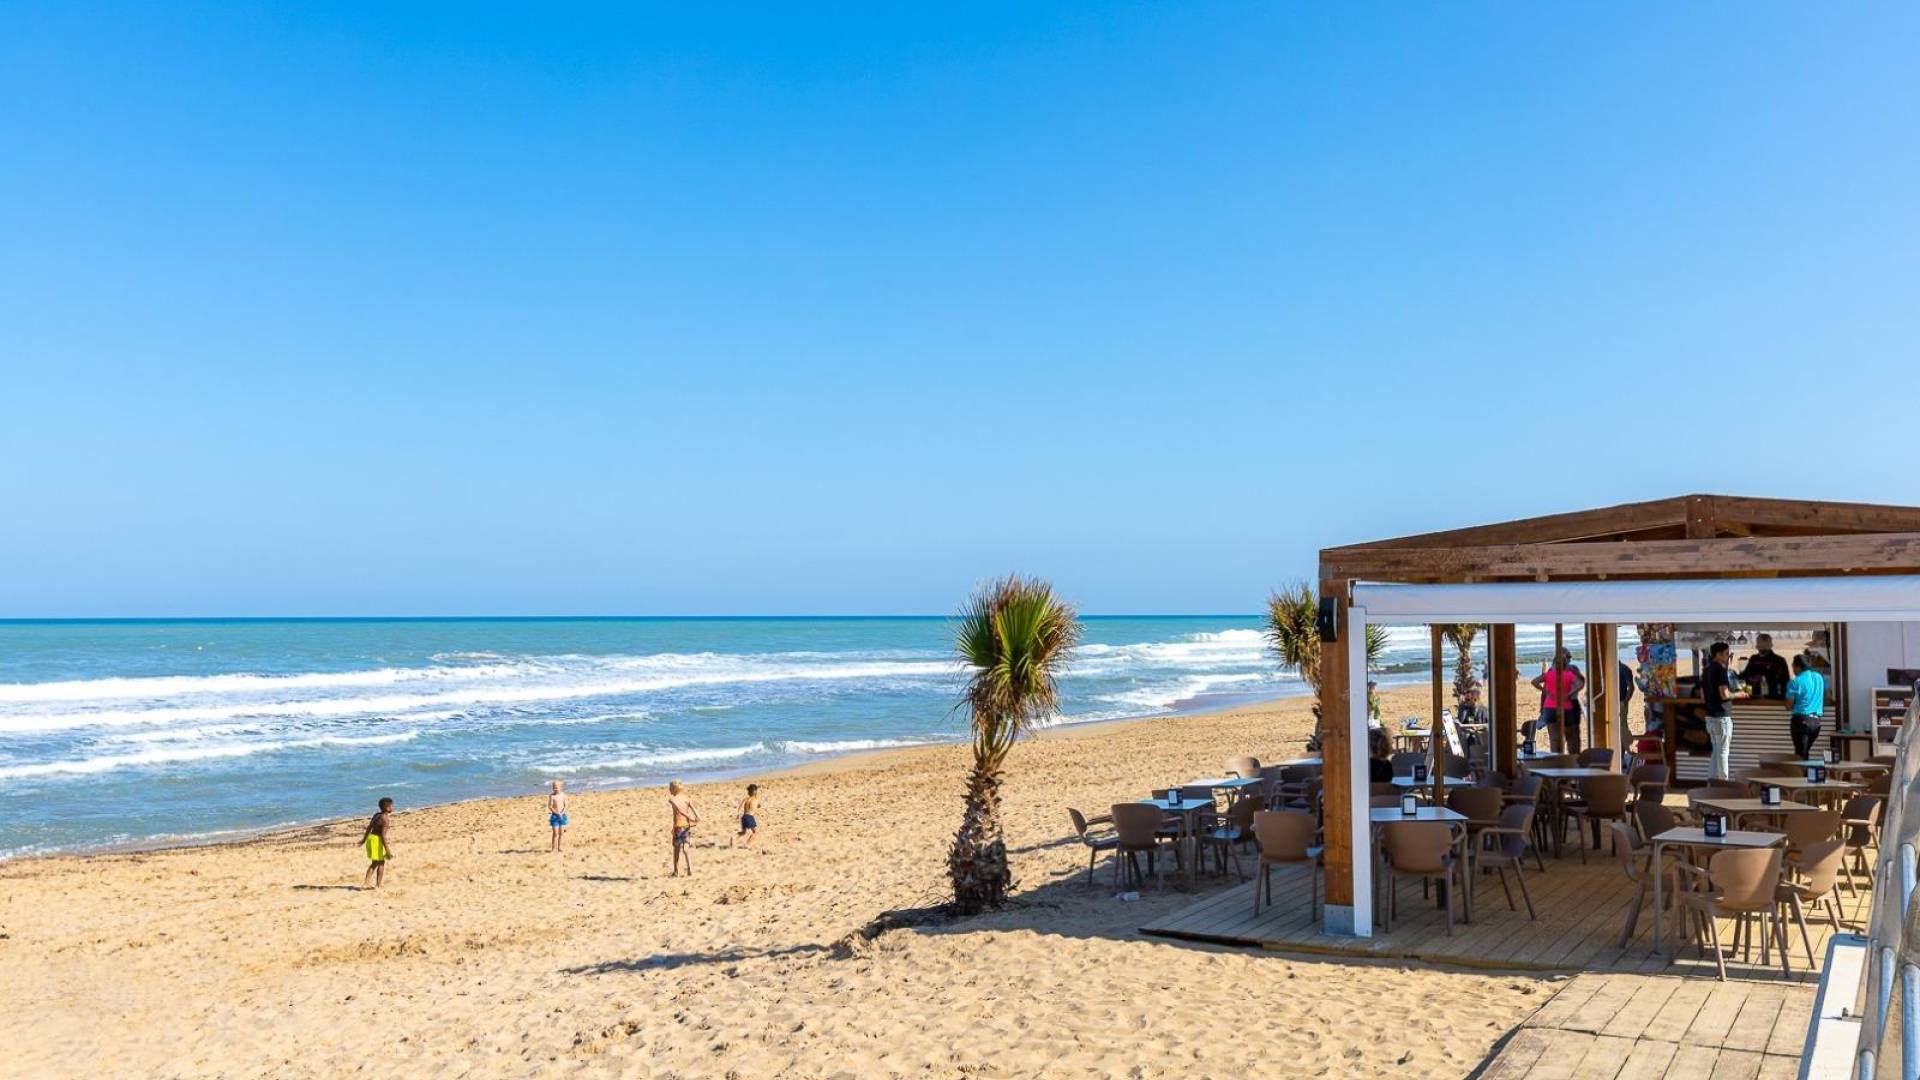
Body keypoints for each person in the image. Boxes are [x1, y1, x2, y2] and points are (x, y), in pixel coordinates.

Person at [1529, 648, 1586, 755]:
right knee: (1567, 738)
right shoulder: (1570, 671)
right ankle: (1568, 760)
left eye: (1569, 657)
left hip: (1554, 706)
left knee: (1562, 739)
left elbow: (1538, 685)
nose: (1569, 659)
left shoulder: (1553, 672)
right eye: (1567, 657)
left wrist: (1546, 696)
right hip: (1567, 705)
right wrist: (1568, 694)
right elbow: (1580, 683)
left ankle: (1563, 760)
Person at [1701, 641, 1743, 780]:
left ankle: (1712, 783)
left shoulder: (1706, 670)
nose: (1728, 657)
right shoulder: (1720, 670)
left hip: (1709, 717)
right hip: (1721, 717)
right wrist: (1739, 694)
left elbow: (1702, 696)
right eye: (1726, 654)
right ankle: (1723, 783)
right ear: (1718, 655)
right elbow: (1724, 694)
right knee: (1723, 753)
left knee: (1715, 752)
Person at [1786, 654, 1828, 760]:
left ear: (1798, 667)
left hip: (1801, 721)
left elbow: (1788, 706)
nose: (1793, 670)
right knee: (1804, 752)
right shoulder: (1819, 678)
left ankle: (1802, 771)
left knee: (1800, 754)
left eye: (1793, 667)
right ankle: (1806, 770)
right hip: (1816, 722)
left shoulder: (1795, 682)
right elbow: (1827, 695)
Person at [1738, 633, 1791, 700]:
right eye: (1759, 643)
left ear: (1770, 645)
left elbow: (1785, 682)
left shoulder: (1779, 660)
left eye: (1762, 643)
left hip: (1772, 698)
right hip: (1753, 697)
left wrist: (1782, 698)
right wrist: (1746, 694)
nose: (1757, 646)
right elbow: (1745, 677)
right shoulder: (1754, 659)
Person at [360, 797, 395, 890]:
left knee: (374, 863)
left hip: (371, 838)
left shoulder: (376, 815)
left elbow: (369, 827)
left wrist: (364, 840)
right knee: (381, 863)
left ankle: (366, 882)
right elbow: (383, 835)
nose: (393, 807)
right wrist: (387, 850)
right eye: (392, 806)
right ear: (387, 808)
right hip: (377, 841)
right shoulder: (385, 819)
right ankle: (378, 885)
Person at [667, 779, 699, 877]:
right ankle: (690, 869)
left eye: (670, 788)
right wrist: (696, 818)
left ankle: (676, 871)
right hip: (686, 827)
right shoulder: (686, 798)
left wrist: (689, 817)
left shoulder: (673, 800)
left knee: (676, 850)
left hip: (678, 827)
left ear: (674, 789)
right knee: (686, 849)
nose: (669, 790)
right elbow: (695, 811)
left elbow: (678, 812)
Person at [547, 780, 569, 852]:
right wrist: (556, 813)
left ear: (561, 787)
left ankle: (559, 847)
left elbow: (566, 806)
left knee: (561, 833)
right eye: (553, 787)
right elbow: (550, 806)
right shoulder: (552, 796)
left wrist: (562, 813)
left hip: (562, 816)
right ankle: (553, 848)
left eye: (556, 787)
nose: (555, 789)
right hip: (555, 816)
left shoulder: (564, 795)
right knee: (555, 833)